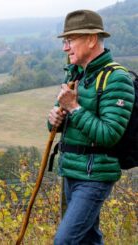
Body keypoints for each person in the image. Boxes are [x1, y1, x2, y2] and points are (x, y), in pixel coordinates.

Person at [48, 10, 134, 244]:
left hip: (94, 175)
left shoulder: (117, 78)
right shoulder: (75, 74)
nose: (65, 48)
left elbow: (109, 134)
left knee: (64, 241)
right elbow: (56, 122)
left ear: (91, 39)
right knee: (88, 240)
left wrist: (74, 108)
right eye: (65, 41)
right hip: (71, 171)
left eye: (70, 40)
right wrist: (55, 118)